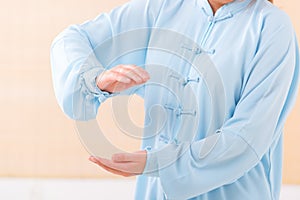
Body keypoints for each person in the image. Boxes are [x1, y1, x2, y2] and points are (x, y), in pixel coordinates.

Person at [50, 0, 299, 199]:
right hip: (156, 192)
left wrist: (162, 163)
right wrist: (93, 79)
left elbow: (248, 137)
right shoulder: (162, 8)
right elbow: (71, 39)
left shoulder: (272, 27)